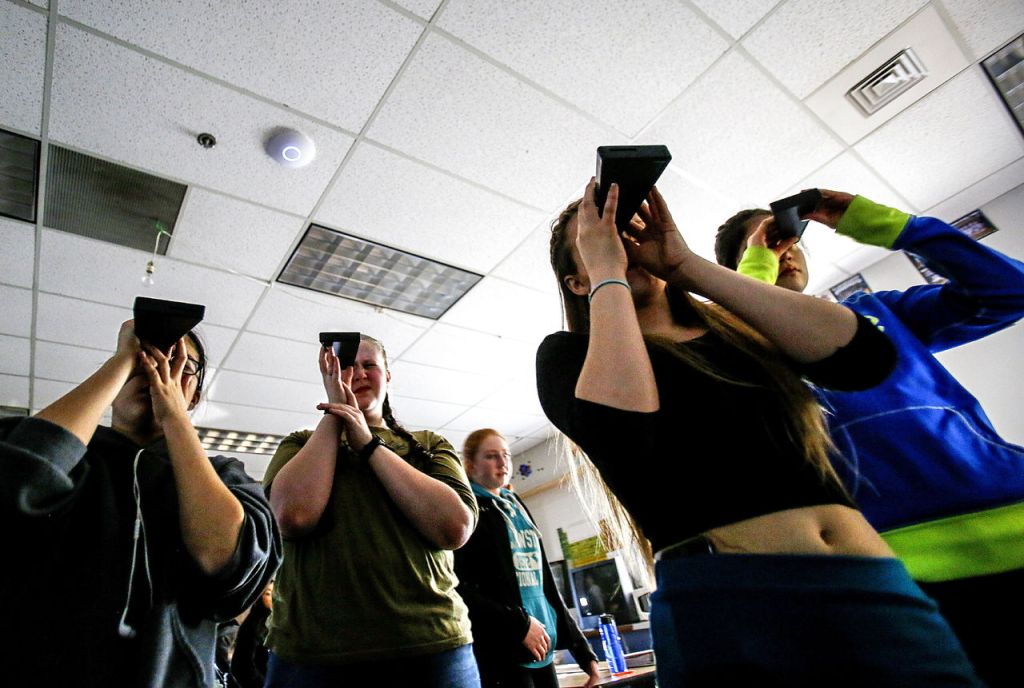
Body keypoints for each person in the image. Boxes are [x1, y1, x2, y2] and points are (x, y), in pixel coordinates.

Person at [536, 180, 984, 686]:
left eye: (625, 228)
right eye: (597, 237)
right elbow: (623, 430)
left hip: (878, 583)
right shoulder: (567, 356)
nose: (618, 241)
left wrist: (684, 265)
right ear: (576, 282)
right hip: (736, 602)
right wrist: (608, 274)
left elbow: (864, 360)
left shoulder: (740, 331)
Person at [715, 190, 1024, 686]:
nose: (785, 250)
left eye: (789, 238)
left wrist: (879, 223)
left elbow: (1011, 292)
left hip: (1014, 513)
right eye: (767, 243)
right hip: (897, 575)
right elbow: (733, 351)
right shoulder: (737, 347)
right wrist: (750, 278)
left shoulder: (876, 312)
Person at [0, 320, 281, 687]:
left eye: (178, 362)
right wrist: (121, 362)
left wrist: (175, 418)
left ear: (194, 394)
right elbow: (15, 479)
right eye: (144, 358)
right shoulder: (76, 457)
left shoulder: (226, 476)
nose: (156, 369)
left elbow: (230, 565)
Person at [262, 333, 481, 687]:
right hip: (313, 655)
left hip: (431, 646)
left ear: (388, 376)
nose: (359, 374)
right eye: (348, 366)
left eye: (370, 366)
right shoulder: (300, 444)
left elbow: (454, 527)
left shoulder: (428, 445)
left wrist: (368, 444)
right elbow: (292, 517)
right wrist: (337, 413)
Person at [454, 428, 599, 688]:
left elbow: (546, 583)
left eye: (506, 455)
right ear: (470, 465)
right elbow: (460, 589)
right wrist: (518, 625)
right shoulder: (467, 512)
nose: (502, 463)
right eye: (491, 456)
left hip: (543, 648)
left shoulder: (516, 504)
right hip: (503, 651)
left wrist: (582, 650)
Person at [231, 581, 274, 688]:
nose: (273, 598)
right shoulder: (252, 625)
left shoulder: (278, 623)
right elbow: (241, 666)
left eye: (275, 592)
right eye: (268, 594)